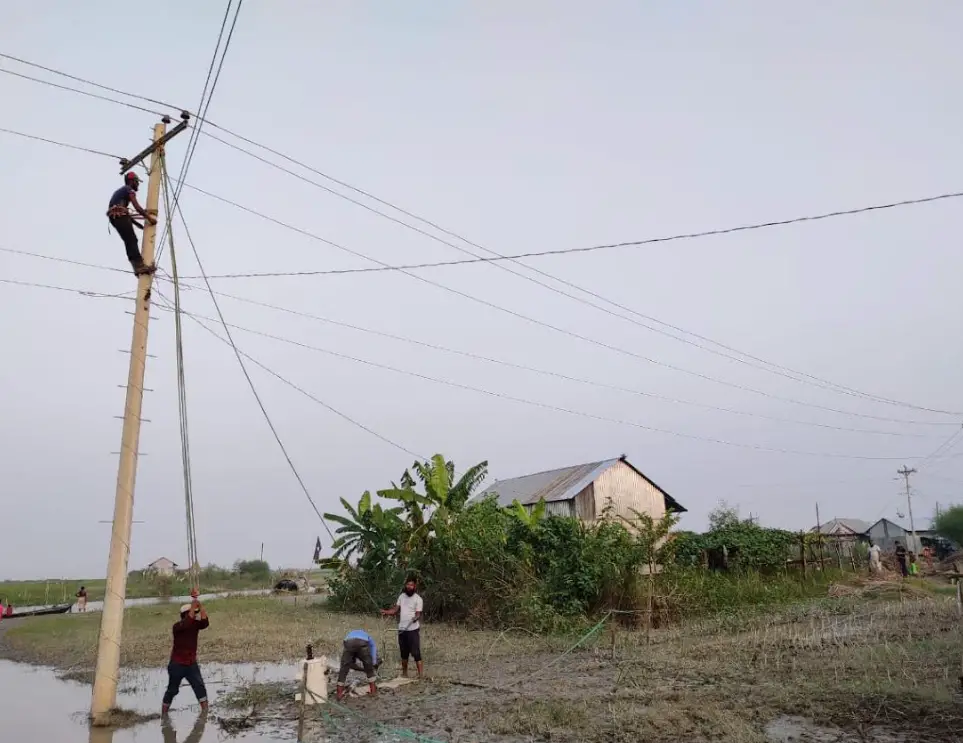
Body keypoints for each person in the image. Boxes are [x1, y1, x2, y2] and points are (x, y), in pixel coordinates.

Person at [162, 592, 209, 715]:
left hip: (191, 664)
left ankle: (205, 713)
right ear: (185, 614)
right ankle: (164, 714)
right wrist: (193, 607)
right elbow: (188, 622)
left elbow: (205, 622)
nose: (196, 615)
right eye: (194, 613)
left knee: (199, 687)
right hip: (177, 664)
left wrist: (200, 605)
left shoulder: (195, 626)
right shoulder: (178, 626)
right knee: (172, 690)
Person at [107, 171, 157, 276]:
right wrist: (149, 218)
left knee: (129, 241)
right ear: (131, 181)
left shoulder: (121, 191)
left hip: (116, 217)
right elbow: (137, 207)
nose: (137, 184)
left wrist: (139, 225)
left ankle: (136, 267)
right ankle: (140, 266)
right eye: (136, 182)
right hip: (119, 215)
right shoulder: (128, 189)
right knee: (132, 240)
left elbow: (128, 215)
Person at [381, 578, 424, 679]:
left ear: (415, 586)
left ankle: (421, 675)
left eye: (411, 585)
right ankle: (404, 674)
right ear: (405, 586)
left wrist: (415, 618)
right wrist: (386, 612)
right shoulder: (402, 596)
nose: (409, 587)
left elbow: (418, 614)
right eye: (408, 585)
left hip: (412, 630)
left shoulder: (418, 599)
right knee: (404, 654)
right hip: (402, 630)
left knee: (416, 653)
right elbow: (395, 610)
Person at [336, 629, 378, 701]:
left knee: (343, 669)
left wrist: (349, 660)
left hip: (348, 643)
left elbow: (346, 644)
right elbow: (373, 647)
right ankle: (373, 692)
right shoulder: (367, 636)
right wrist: (373, 662)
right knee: (369, 668)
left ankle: (339, 694)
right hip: (362, 643)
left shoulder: (350, 634)